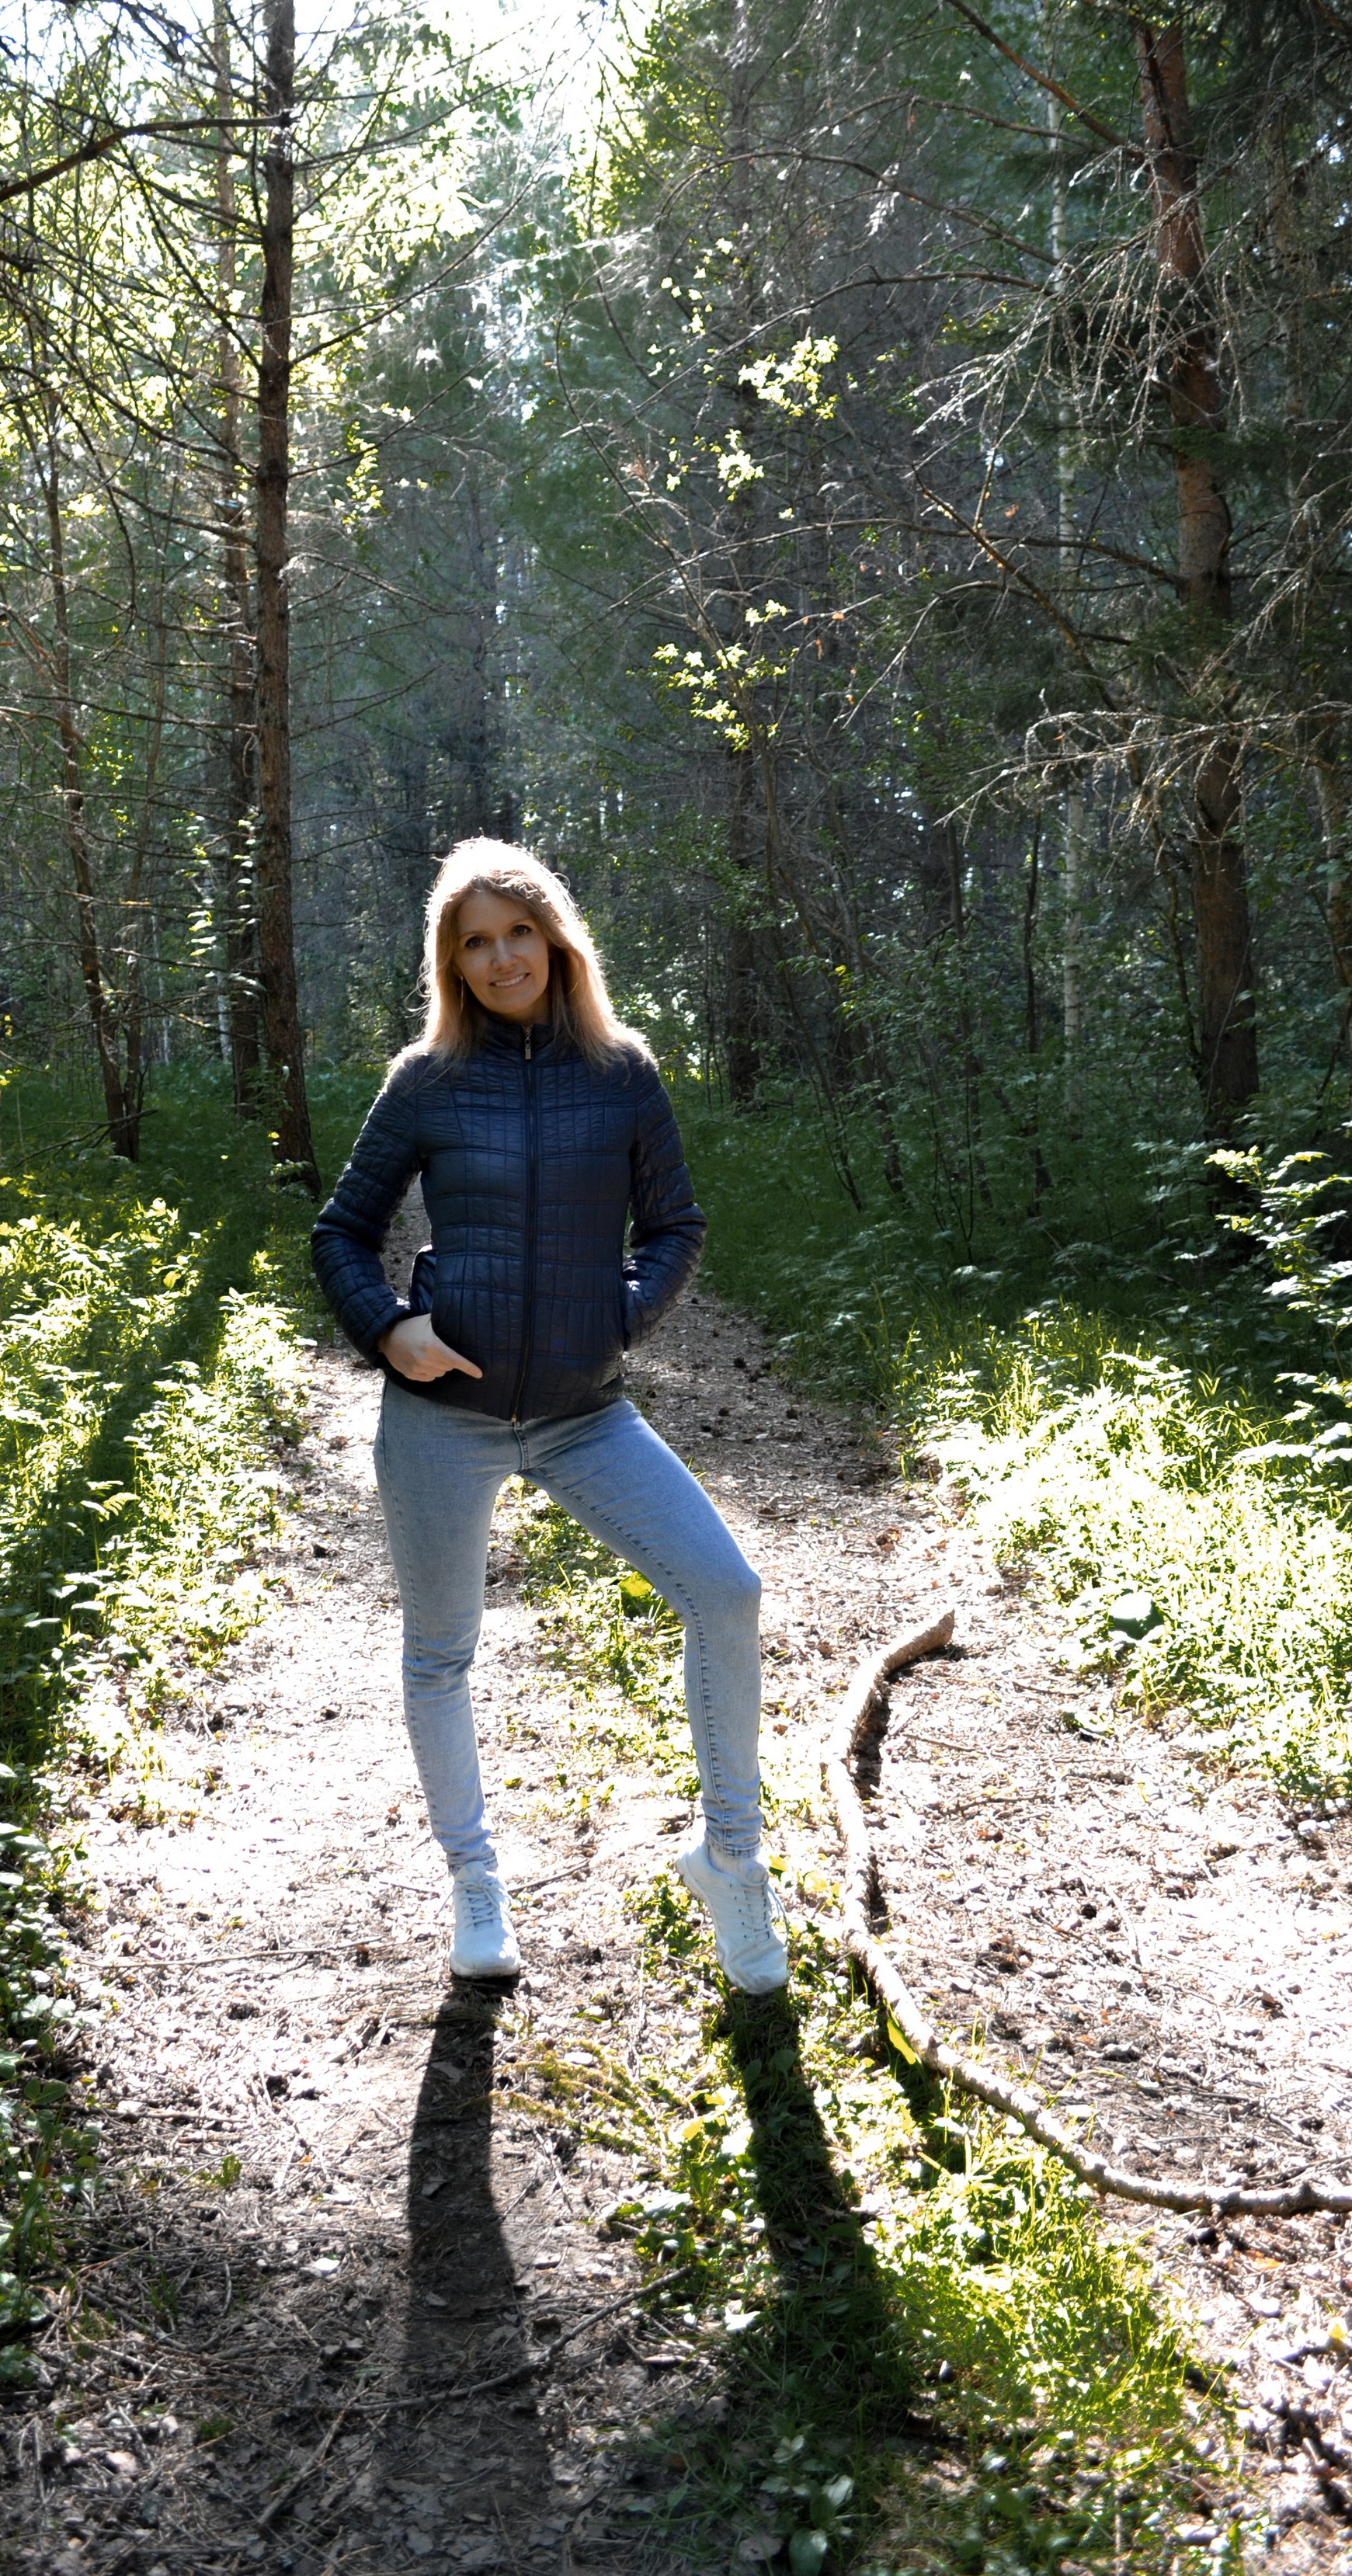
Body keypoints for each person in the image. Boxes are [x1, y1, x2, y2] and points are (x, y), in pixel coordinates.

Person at [311, 836, 787, 1994]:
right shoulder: (424, 1080)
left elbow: (676, 1226)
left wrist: (617, 1321)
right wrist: (387, 1326)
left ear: (555, 939)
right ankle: (475, 1883)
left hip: (584, 1412)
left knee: (725, 1593)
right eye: (474, 942)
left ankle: (733, 1861)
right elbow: (341, 1229)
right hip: (443, 1417)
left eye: (516, 932)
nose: (499, 957)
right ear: (452, 961)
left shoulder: (620, 1072)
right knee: (441, 1652)